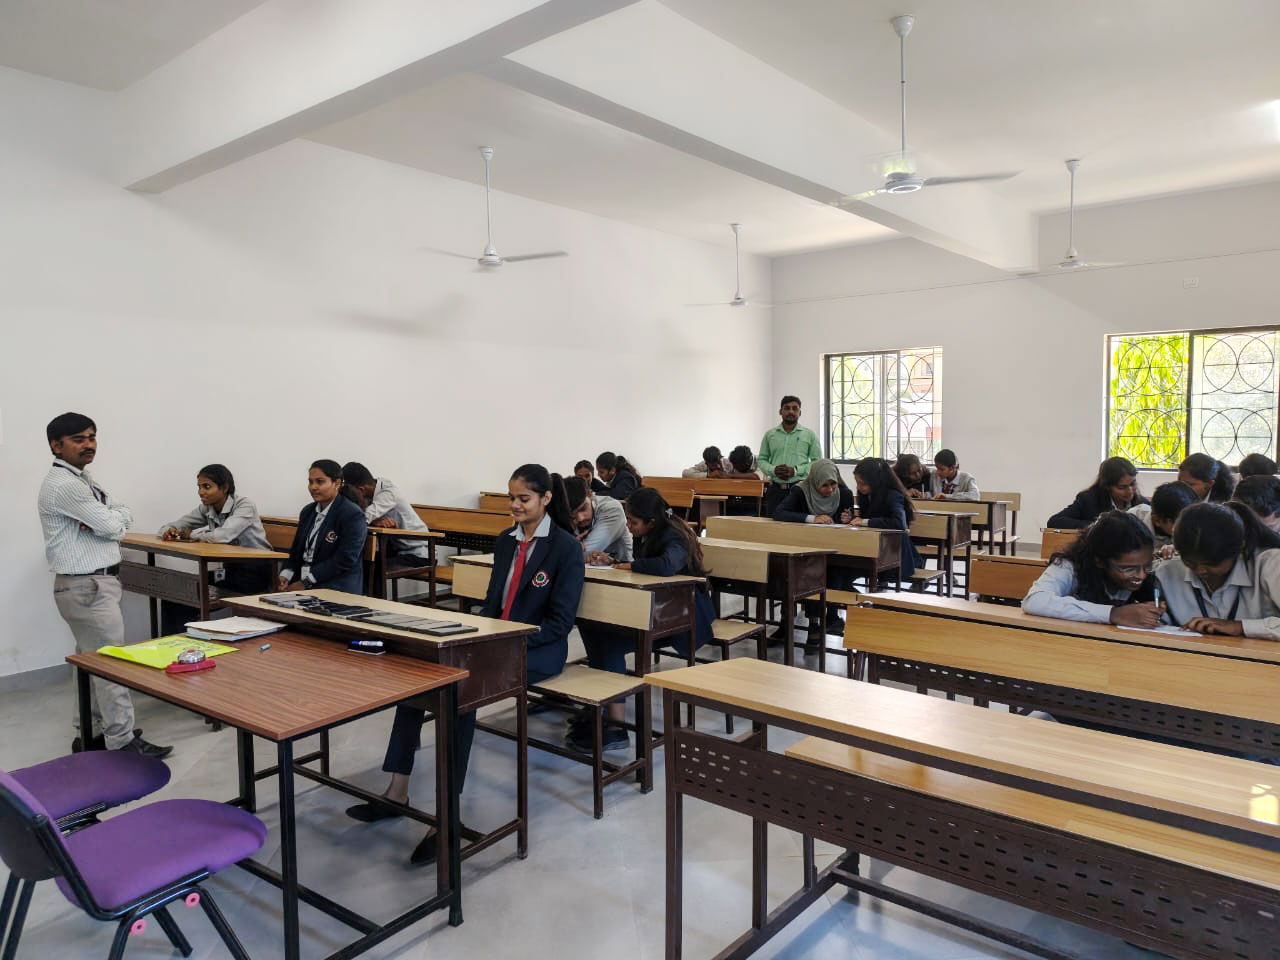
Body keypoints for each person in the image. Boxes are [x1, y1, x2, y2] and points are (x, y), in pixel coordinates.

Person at [346, 465, 584, 866]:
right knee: (420, 680)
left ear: (545, 499)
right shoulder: (506, 541)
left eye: (524, 499)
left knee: (460, 693)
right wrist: (474, 635)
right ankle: (397, 792)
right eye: (512, 498)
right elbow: (491, 604)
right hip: (493, 642)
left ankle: (447, 817)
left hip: (536, 649)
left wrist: (503, 641)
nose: (515, 506)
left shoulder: (564, 547)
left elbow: (560, 624)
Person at [38, 413, 172, 758]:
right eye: (78, 439)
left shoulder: (82, 478)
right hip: (88, 586)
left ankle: (90, 734)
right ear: (56, 445)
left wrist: (107, 519)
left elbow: (120, 513)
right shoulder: (66, 485)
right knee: (111, 665)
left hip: (89, 585)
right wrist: (108, 520)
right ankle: (122, 741)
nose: (89, 445)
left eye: (92, 437)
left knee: (91, 663)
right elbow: (113, 527)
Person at [575, 487, 714, 751]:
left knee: (608, 643)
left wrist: (626, 565)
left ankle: (616, 727)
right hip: (655, 608)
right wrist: (612, 560)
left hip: (681, 617)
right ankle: (604, 702)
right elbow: (644, 567)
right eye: (627, 520)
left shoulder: (675, 536)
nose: (628, 526)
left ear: (651, 521)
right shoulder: (647, 533)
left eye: (633, 522)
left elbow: (665, 566)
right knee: (592, 627)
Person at [157, 464, 273, 634]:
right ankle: (170, 645)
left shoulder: (244, 505)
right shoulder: (207, 507)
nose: (201, 492)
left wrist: (192, 535)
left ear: (224, 487)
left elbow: (223, 536)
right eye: (199, 487)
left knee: (186, 601)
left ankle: (187, 643)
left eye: (207, 486)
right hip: (231, 571)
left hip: (256, 571)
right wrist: (170, 531)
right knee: (174, 596)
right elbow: (175, 525)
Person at [1155, 501, 1280, 638]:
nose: (1200, 571)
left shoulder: (1270, 564)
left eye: (1211, 564)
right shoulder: (1167, 573)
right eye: (1190, 563)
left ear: (1238, 550)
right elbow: (1155, 626)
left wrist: (1241, 627)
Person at [1023, 511, 1161, 625]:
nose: (1142, 575)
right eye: (1127, 569)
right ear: (1100, 560)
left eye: (1147, 565)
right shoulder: (1070, 566)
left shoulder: (1147, 577)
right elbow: (1035, 601)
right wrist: (1113, 614)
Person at [773, 459, 855, 647]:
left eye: (833, 484)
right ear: (815, 481)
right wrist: (812, 518)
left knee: (830, 573)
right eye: (824, 485)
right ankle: (792, 624)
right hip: (805, 549)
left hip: (834, 551)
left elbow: (849, 522)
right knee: (801, 573)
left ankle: (825, 621)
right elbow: (780, 513)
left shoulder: (844, 493)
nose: (830, 490)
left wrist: (848, 519)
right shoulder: (801, 491)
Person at [276, 460, 367, 593]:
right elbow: (296, 552)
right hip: (305, 583)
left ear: (337, 484)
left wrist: (306, 582)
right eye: (310, 482)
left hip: (336, 585)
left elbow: (345, 559)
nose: (313, 487)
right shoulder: (307, 511)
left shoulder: (352, 514)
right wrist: (285, 575)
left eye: (320, 482)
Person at [340, 462, 432, 570]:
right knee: (363, 561)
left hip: (420, 554)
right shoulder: (373, 490)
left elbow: (361, 518)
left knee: (372, 568)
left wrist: (373, 521)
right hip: (397, 550)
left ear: (361, 489)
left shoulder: (388, 494)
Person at [849, 457, 922, 585]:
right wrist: (852, 519)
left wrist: (865, 522)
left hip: (895, 554)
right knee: (840, 571)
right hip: (876, 549)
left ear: (875, 481)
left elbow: (898, 523)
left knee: (843, 573)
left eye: (862, 483)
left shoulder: (893, 495)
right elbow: (870, 519)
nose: (858, 487)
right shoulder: (867, 495)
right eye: (857, 483)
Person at [758, 395, 822, 516]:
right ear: (780, 411)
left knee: (798, 524)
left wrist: (796, 471)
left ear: (800, 412)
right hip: (775, 490)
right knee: (772, 524)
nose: (791, 411)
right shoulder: (770, 435)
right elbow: (761, 459)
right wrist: (773, 470)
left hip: (800, 489)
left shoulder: (809, 435)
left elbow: (817, 462)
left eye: (795, 408)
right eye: (787, 408)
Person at [1046, 456, 1147, 529]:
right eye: (1121, 487)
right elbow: (1055, 521)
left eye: (1133, 484)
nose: (1130, 491)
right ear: (1107, 486)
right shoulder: (1088, 500)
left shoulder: (1142, 504)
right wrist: (1098, 526)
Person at [565, 475, 632, 563]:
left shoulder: (612, 509)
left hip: (619, 568)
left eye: (583, 509)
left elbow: (586, 552)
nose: (580, 518)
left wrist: (567, 547)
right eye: (572, 514)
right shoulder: (564, 512)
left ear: (590, 494)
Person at [1127, 480, 1198, 557]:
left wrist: (1179, 548)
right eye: (1182, 525)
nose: (1188, 529)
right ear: (1157, 520)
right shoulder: (1130, 522)